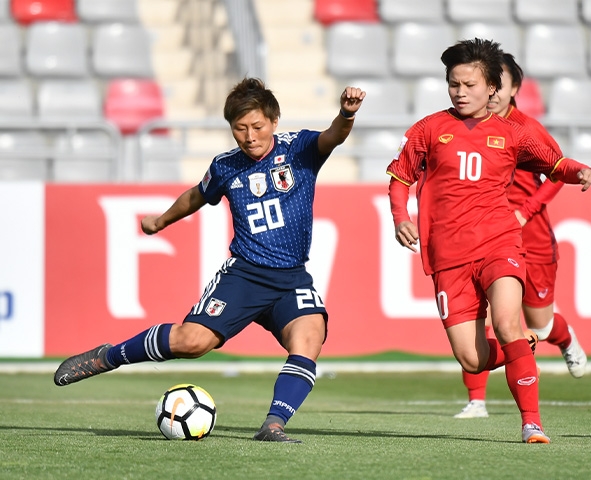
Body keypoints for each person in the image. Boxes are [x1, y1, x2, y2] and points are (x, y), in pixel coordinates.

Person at [54, 78, 366, 444]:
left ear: (274, 120)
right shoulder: (226, 167)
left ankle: (273, 425)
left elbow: (335, 135)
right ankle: (109, 356)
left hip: (291, 279)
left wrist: (346, 113)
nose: (249, 136)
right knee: (192, 342)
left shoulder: (299, 149)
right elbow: (196, 196)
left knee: (310, 338)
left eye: (257, 126)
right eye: (240, 129)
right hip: (245, 275)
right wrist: (161, 220)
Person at [386, 39, 591, 444]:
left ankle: (532, 423)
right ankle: (527, 347)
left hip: (499, 242)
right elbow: (400, 178)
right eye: (453, 83)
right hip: (448, 255)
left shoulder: (514, 133)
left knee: (508, 323)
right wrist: (401, 217)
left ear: (491, 88)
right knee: (472, 358)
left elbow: (556, 165)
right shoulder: (428, 129)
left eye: (469, 84)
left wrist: (583, 172)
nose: (459, 91)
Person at [454, 53, 588, 419]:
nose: (493, 92)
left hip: (531, 239)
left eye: (500, 84)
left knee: (538, 324)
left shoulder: (526, 129)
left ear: (513, 88)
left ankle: (560, 335)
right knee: (476, 316)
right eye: (489, 83)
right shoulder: (464, 126)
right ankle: (476, 400)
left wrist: (524, 213)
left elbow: (558, 172)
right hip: (483, 239)